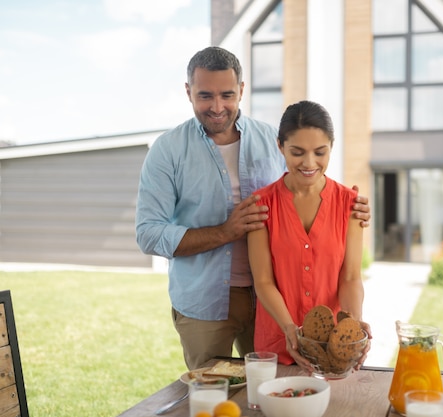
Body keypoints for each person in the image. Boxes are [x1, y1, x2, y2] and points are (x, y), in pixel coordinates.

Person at [135, 46, 371, 371]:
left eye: (227, 95)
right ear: (188, 92)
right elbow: (148, 234)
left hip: (273, 307)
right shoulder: (168, 151)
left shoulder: (269, 139)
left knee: (271, 392)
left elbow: (304, 182)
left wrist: (349, 208)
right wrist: (225, 232)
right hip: (206, 303)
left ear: (242, 91)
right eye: (205, 96)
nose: (217, 107)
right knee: (213, 395)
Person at [248, 100, 372, 371]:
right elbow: (264, 281)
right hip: (277, 348)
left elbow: (350, 277)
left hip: (331, 352)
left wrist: (353, 327)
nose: (309, 163)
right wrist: (290, 329)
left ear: (331, 147)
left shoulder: (350, 204)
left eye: (320, 152)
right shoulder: (260, 205)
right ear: (280, 146)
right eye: (297, 152)